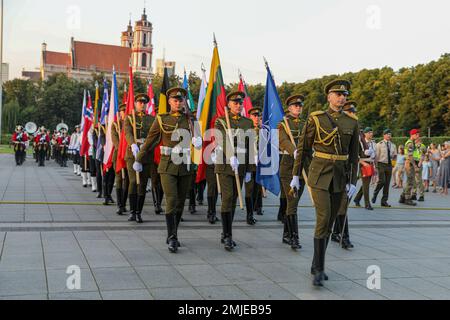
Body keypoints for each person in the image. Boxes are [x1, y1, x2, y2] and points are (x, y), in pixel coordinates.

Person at [291, 79, 359, 287]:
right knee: (324, 217)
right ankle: (319, 270)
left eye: (344, 95)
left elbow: (354, 155)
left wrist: (353, 181)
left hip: (340, 177)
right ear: (328, 97)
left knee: (330, 223)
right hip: (319, 174)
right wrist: (295, 175)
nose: (342, 98)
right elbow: (303, 149)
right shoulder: (316, 119)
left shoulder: (352, 122)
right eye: (337, 94)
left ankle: (316, 263)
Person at [135, 88, 202, 252]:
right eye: (175, 100)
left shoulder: (192, 120)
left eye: (180, 100)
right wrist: (138, 159)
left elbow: (199, 140)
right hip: (167, 165)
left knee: (180, 203)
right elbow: (150, 140)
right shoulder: (161, 118)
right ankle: (172, 237)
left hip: (185, 165)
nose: (178, 103)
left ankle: (173, 232)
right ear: (170, 102)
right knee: (171, 199)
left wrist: (199, 141)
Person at [215, 91, 254, 251]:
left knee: (233, 200)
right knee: (228, 197)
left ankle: (226, 232)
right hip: (225, 163)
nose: (238, 105)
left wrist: (251, 168)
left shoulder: (248, 123)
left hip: (242, 164)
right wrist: (231, 156)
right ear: (229, 104)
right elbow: (221, 139)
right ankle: (228, 236)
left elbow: (251, 146)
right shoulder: (221, 121)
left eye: (240, 103)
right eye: (235, 103)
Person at [278, 95, 306, 249]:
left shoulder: (306, 123)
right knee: (293, 202)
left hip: (303, 168)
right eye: (295, 106)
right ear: (289, 108)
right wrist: (294, 151)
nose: (298, 108)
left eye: (300, 105)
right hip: (289, 167)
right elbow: (283, 140)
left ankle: (286, 235)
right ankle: (294, 237)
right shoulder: (283, 124)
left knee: (293, 203)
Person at [331, 101, 359, 249]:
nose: (354, 115)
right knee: (341, 206)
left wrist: (354, 180)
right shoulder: (339, 129)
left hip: (349, 172)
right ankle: (342, 235)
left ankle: (338, 233)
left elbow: (356, 156)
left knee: (342, 205)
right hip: (338, 171)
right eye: (351, 112)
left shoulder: (355, 129)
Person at [125, 93, 156, 224]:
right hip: (133, 154)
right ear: (135, 103)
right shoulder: (129, 118)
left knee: (142, 183)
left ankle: (138, 212)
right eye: (139, 102)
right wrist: (132, 144)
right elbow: (127, 132)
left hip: (146, 153)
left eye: (144, 103)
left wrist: (146, 145)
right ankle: (132, 211)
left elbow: (154, 135)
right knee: (133, 182)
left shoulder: (152, 119)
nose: (142, 104)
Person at [244, 107, 264, 226]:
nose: (256, 118)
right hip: (248, 165)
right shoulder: (246, 130)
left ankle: (255, 208)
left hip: (260, 165)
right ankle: (249, 214)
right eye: (254, 116)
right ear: (250, 117)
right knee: (249, 190)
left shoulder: (263, 131)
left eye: (258, 116)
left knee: (257, 190)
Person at [112, 104, 129, 216]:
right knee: (119, 179)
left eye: (125, 111)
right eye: (122, 111)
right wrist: (121, 150)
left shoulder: (130, 123)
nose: (124, 113)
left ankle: (123, 203)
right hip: (118, 155)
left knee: (127, 180)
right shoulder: (115, 125)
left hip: (128, 155)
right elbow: (115, 140)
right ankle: (119, 205)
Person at [372, 129, 397, 207]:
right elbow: (376, 156)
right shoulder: (379, 144)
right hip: (381, 164)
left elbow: (395, 156)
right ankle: (375, 193)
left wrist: (394, 159)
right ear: (384, 135)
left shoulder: (393, 145)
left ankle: (384, 201)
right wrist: (375, 166)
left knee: (387, 184)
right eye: (387, 134)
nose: (389, 135)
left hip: (389, 165)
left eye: (390, 134)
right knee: (382, 181)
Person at [353, 127, 376, 211]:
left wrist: (375, 166)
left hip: (371, 163)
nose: (371, 134)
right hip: (364, 164)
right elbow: (356, 156)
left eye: (372, 132)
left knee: (365, 184)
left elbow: (374, 156)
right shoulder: (361, 143)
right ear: (365, 134)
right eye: (369, 132)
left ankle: (357, 199)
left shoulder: (373, 143)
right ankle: (367, 204)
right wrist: (364, 163)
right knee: (366, 185)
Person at [405, 129, 426, 202]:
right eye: (417, 134)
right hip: (412, 163)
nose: (418, 136)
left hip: (417, 163)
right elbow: (410, 155)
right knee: (412, 180)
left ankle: (421, 195)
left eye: (418, 135)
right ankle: (413, 194)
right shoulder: (411, 143)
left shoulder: (422, 146)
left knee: (418, 180)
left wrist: (419, 164)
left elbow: (423, 155)